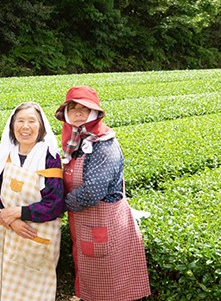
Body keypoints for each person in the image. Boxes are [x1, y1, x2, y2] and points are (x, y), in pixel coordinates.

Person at [55, 86, 151, 301]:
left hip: (105, 227)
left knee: (111, 288)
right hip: (87, 227)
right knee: (93, 286)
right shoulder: (75, 142)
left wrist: (57, 205)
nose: (78, 113)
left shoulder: (103, 145)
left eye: (84, 108)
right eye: (73, 108)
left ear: (95, 113)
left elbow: (92, 192)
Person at [0, 102, 65, 301]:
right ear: (12, 126)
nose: (25, 126)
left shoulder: (49, 158)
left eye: (32, 121)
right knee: (6, 291)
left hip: (37, 240)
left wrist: (20, 213)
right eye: (20, 121)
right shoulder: (6, 157)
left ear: (41, 127)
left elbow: (55, 203)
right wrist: (11, 219)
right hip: (10, 237)